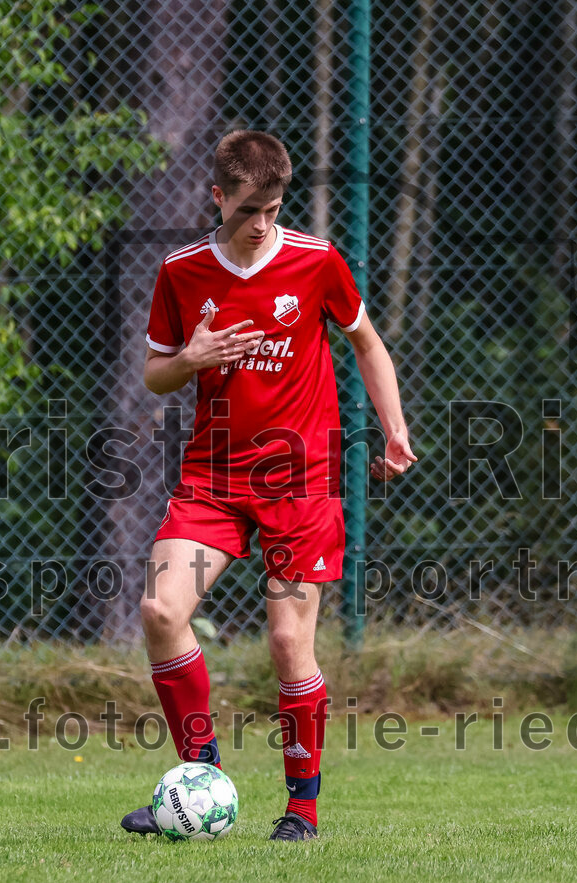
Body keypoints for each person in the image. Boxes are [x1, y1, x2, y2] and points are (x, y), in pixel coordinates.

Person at [120, 129, 415, 841]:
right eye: (248, 208)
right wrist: (190, 356)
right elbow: (155, 372)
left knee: (288, 641)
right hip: (212, 482)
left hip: (301, 483)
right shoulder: (183, 270)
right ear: (217, 197)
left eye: (274, 208)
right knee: (161, 611)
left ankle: (301, 813)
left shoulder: (315, 262)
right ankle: (202, 778)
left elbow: (366, 342)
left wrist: (395, 428)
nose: (261, 223)